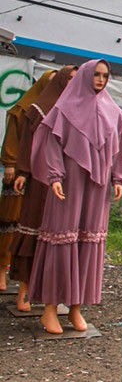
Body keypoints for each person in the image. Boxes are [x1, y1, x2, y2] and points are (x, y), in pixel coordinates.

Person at [27, 59, 122, 334]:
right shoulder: (64, 109)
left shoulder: (113, 112)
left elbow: (118, 148)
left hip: (98, 188)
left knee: (89, 240)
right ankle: (50, 307)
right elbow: (52, 144)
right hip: (69, 184)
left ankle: (75, 308)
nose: (100, 80)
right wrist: (55, 176)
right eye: (95, 74)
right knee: (62, 237)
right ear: (85, 75)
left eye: (105, 76)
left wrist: (118, 177)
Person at [9, 65, 76, 311]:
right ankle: (25, 291)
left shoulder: (75, 109)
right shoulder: (39, 109)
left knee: (57, 236)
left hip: (66, 182)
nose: (72, 84)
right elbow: (28, 142)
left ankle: (49, 294)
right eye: (69, 79)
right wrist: (23, 171)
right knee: (33, 229)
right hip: (39, 179)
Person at [0, 69, 54, 291]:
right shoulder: (22, 109)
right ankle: (1, 268)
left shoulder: (52, 113)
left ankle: (22, 277)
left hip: (39, 177)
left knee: (30, 227)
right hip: (18, 175)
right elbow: (13, 137)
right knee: (8, 222)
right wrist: (11, 163)